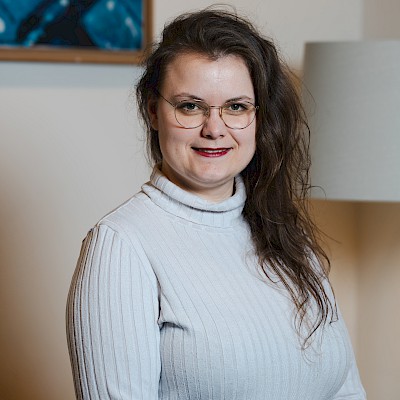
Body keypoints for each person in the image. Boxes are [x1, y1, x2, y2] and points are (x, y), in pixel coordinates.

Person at [66, 7, 366, 400]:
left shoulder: (286, 235)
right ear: (153, 111)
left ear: (259, 117)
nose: (214, 129)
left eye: (236, 107)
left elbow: (346, 390)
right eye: (190, 106)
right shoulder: (121, 246)